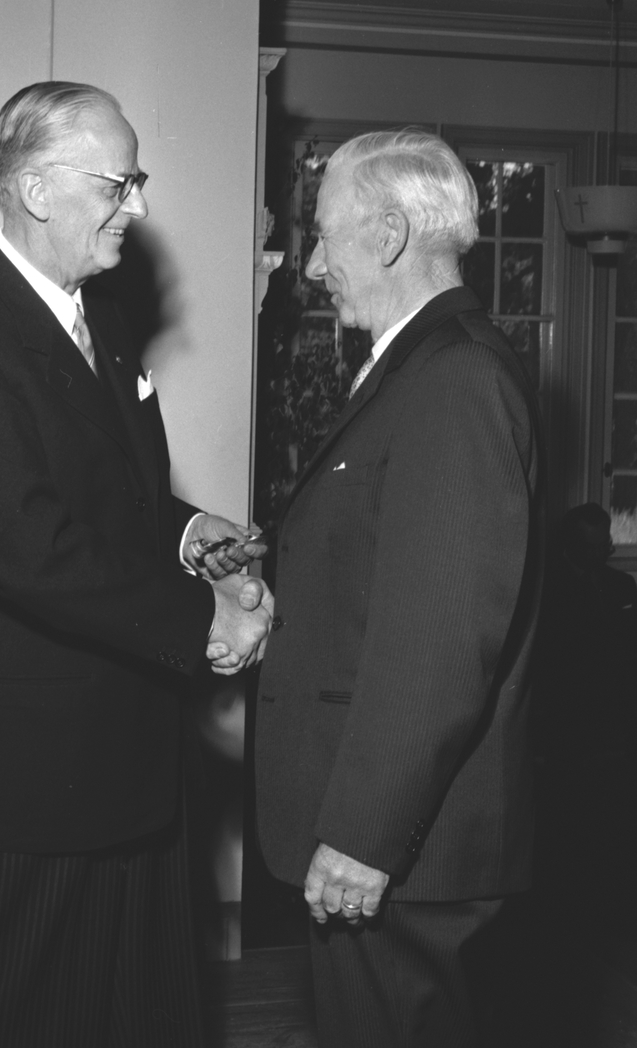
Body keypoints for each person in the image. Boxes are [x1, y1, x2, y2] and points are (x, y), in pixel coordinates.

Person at [0, 81, 272, 1048]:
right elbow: (31, 551)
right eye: (117, 183)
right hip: (34, 778)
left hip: (129, 759)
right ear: (35, 190)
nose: (137, 206)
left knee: (141, 1019)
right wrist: (205, 620)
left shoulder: (96, 319)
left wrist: (193, 535)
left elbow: (115, 499)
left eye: (136, 180)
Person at [254, 129, 544, 1047]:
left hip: (401, 844)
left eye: (321, 236)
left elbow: (440, 638)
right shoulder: (420, 363)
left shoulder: (451, 375)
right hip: (399, 834)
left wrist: (363, 833)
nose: (311, 266)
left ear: (386, 235)